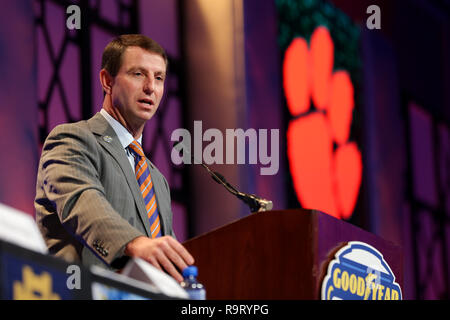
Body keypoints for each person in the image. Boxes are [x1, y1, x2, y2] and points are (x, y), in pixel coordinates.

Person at [34, 34, 194, 283]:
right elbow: (83, 203)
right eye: (138, 74)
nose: (151, 87)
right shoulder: (72, 139)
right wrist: (133, 243)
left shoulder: (157, 179)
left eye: (159, 78)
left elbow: (164, 255)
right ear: (107, 81)